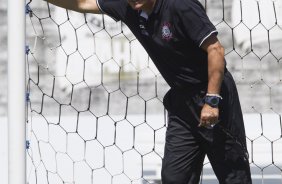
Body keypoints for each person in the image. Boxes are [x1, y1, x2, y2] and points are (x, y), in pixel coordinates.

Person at [45, 0, 252, 183]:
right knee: (174, 177)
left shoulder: (181, 5)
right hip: (182, 101)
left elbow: (216, 50)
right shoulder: (128, 6)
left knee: (234, 177)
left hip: (213, 96)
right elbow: (81, 3)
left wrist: (212, 101)